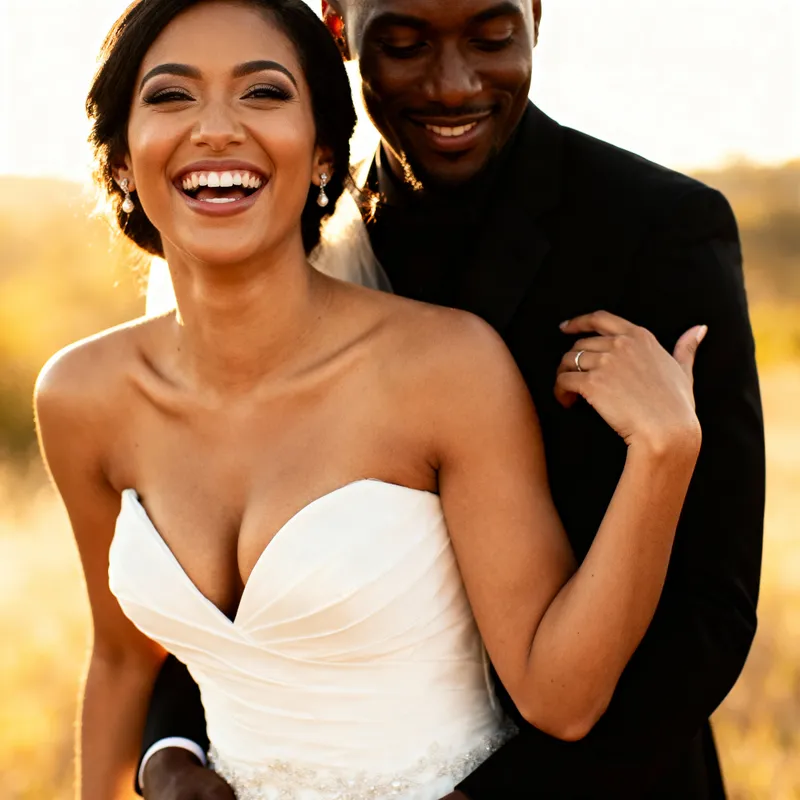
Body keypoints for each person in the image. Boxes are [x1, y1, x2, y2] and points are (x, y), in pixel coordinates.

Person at [32, 0, 726, 798]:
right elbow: (124, 661)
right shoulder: (79, 396)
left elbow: (560, 697)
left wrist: (664, 452)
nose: (216, 129)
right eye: (171, 95)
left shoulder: (448, 366)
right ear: (121, 159)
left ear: (324, 152)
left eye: (262, 92)